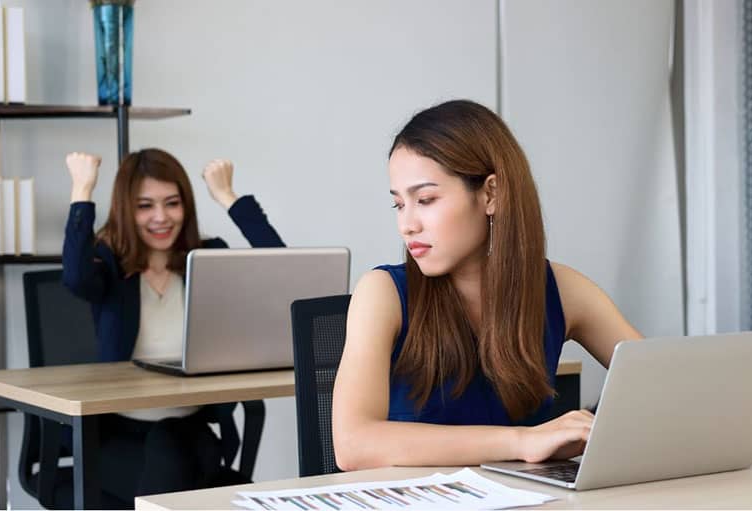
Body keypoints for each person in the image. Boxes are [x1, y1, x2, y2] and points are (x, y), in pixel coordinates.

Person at [332, 100, 643, 471]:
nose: (407, 225)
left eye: (426, 200)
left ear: (490, 195)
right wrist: (522, 441)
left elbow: (663, 381)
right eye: (399, 205)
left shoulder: (561, 288)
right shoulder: (382, 292)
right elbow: (353, 445)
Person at [62, 148, 284, 506]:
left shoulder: (208, 256)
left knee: (177, 451)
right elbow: (74, 277)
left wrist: (229, 197)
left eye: (172, 203)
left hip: (191, 429)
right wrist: (82, 190)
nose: (161, 217)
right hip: (121, 437)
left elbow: (281, 269)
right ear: (125, 210)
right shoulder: (108, 265)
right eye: (145, 205)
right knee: (189, 472)